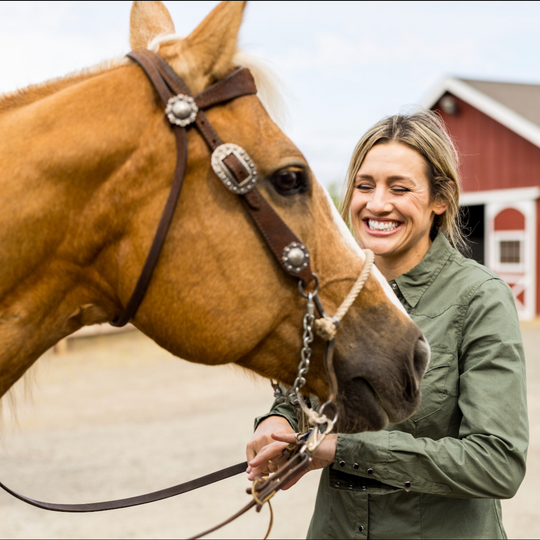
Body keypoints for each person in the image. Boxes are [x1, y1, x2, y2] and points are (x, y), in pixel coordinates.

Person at [246, 110, 529, 539]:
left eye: (399, 188)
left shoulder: (480, 298)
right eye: (365, 186)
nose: (377, 204)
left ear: (440, 199)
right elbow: (299, 394)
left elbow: (497, 463)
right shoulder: (330, 289)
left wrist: (340, 449)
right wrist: (278, 422)